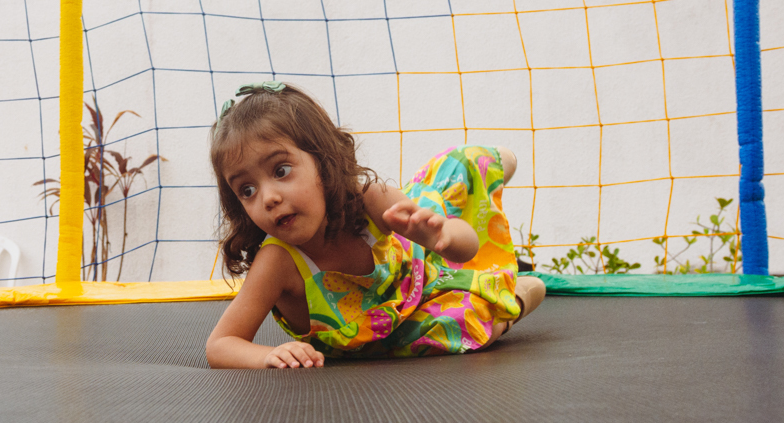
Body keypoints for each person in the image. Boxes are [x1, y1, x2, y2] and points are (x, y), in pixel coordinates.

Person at [205, 81, 545, 369]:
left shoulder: (371, 199)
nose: (268, 198)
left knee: (449, 180)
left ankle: (492, 166)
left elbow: (465, 248)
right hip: (403, 327)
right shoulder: (278, 263)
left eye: (281, 171)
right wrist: (268, 355)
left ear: (323, 162)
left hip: (417, 267)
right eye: (247, 190)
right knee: (465, 323)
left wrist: (441, 234)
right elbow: (221, 344)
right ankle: (514, 299)